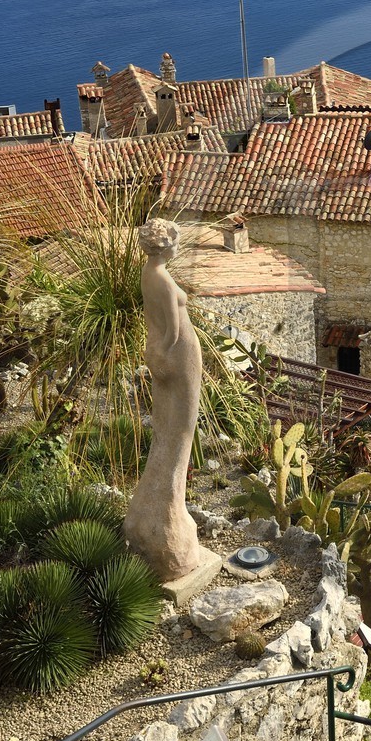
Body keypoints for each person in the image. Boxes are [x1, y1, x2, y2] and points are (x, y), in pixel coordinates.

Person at [123, 219, 204, 584]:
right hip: (179, 355)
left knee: (164, 428)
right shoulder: (166, 281)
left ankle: (149, 512)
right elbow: (172, 329)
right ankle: (168, 518)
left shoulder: (147, 274)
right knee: (182, 429)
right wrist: (167, 352)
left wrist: (154, 353)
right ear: (166, 245)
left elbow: (153, 326)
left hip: (157, 353)